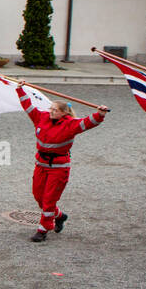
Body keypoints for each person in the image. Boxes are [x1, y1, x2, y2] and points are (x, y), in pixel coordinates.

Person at [17, 84, 108, 242]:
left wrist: (100, 114)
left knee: (49, 199)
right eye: (51, 108)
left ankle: (43, 229)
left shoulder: (70, 124)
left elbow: (87, 123)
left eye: (55, 110)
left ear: (64, 113)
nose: (51, 111)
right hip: (41, 165)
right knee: (38, 196)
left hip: (58, 168)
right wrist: (20, 89)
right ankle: (59, 216)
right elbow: (28, 106)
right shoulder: (41, 117)